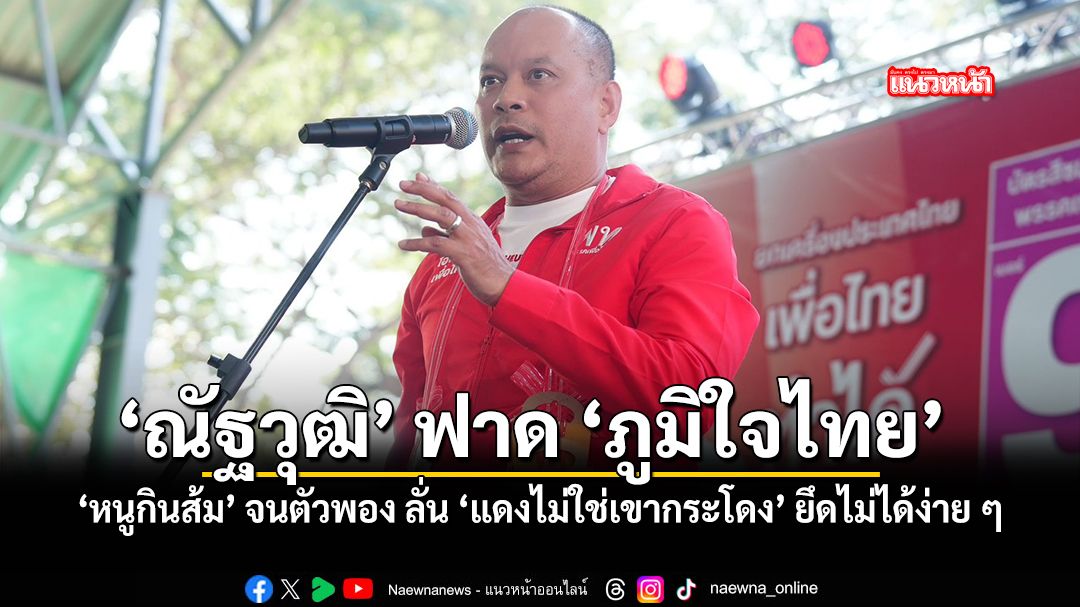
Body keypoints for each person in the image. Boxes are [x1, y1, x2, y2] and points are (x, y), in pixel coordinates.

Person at [388, 5, 758, 468]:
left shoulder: (673, 222)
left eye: (539, 75)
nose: (506, 98)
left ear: (606, 105)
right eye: (490, 81)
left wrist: (508, 288)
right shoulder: (443, 262)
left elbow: (689, 400)